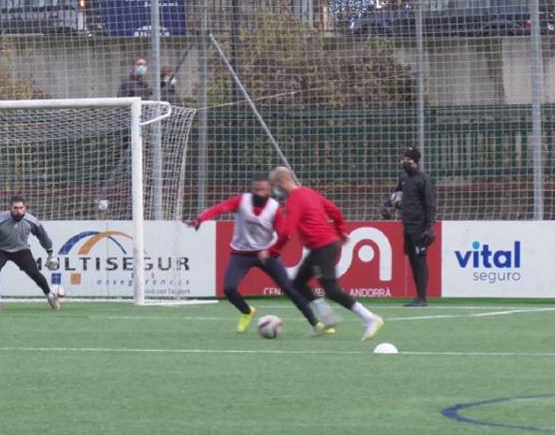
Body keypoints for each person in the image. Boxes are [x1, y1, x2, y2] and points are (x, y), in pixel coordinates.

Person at [186, 175, 334, 336]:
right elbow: (219, 208)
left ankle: (315, 323)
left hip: (267, 254)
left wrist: (273, 252)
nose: (259, 193)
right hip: (241, 254)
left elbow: (283, 233)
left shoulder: (273, 207)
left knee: (289, 289)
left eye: (263, 190)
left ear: (269, 191)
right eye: (256, 189)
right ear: (251, 190)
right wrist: (200, 219)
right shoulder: (241, 201)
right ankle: (247, 311)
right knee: (229, 288)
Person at [267, 166, 384, 341]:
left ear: (283, 182)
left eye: (275, 185)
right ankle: (328, 318)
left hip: (323, 247)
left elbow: (287, 232)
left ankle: (370, 318)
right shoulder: (309, 192)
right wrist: (342, 231)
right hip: (324, 246)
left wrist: (273, 251)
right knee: (298, 282)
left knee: (331, 290)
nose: (276, 190)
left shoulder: (294, 199)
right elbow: (334, 210)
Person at [0, 195, 61, 312]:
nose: (18, 211)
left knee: (34, 273)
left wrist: (50, 254)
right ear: (10, 208)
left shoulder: (32, 221)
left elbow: (43, 237)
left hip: (21, 249)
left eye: (21, 208)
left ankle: (50, 296)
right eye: (15, 208)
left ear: (25, 208)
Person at [392, 146, 436, 307]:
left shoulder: (424, 179)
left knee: (420, 261)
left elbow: (430, 205)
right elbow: (396, 194)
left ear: (415, 161)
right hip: (407, 226)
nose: (405, 162)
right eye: (404, 159)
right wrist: (387, 205)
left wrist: (430, 226)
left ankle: (422, 298)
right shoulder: (403, 177)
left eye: (408, 160)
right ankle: (418, 297)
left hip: (420, 227)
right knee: (412, 260)